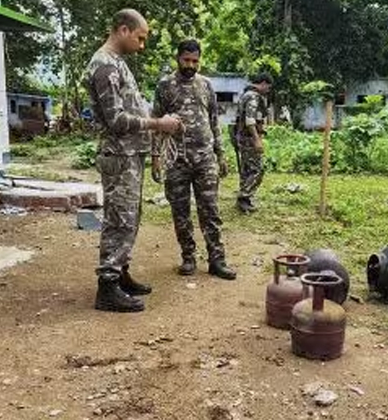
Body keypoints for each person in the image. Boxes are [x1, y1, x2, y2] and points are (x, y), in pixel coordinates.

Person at [85, 9, 182, 312]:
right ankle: (108, 287)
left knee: (130, 218)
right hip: (118, 154)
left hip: (130, 154)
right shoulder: (104, 67)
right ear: (123, 30)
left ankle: (121, 272)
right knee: (119, 219)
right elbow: (115, 120)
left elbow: (135, 109)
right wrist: (158, 125)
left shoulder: (118, 65)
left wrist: (158, 127)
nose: (142, 45)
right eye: (140, 38)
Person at [152, 39, 237, 280]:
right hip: (176, 159)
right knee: (180, 210)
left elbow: (214, 121)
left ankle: (217, 260)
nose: (191, 65)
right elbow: (156, 123)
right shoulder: (165, 85)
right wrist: (156, 156)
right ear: (178, 58)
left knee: (210, 210)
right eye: (186, 60)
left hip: (205, 159)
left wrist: (221, 154)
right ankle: (188, 257)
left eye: (195, 61)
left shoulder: (206, 85)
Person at [234, 73, 273, 213]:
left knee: (246, 169)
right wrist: (257, 139)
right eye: (268, 87)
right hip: (248, 137)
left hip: (242, 136)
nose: (268, 90)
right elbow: (250, 120)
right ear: (263, 83)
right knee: (257, 169)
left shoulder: (246, 94)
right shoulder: (253, 96)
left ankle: (244, 199)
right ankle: (244, 197)